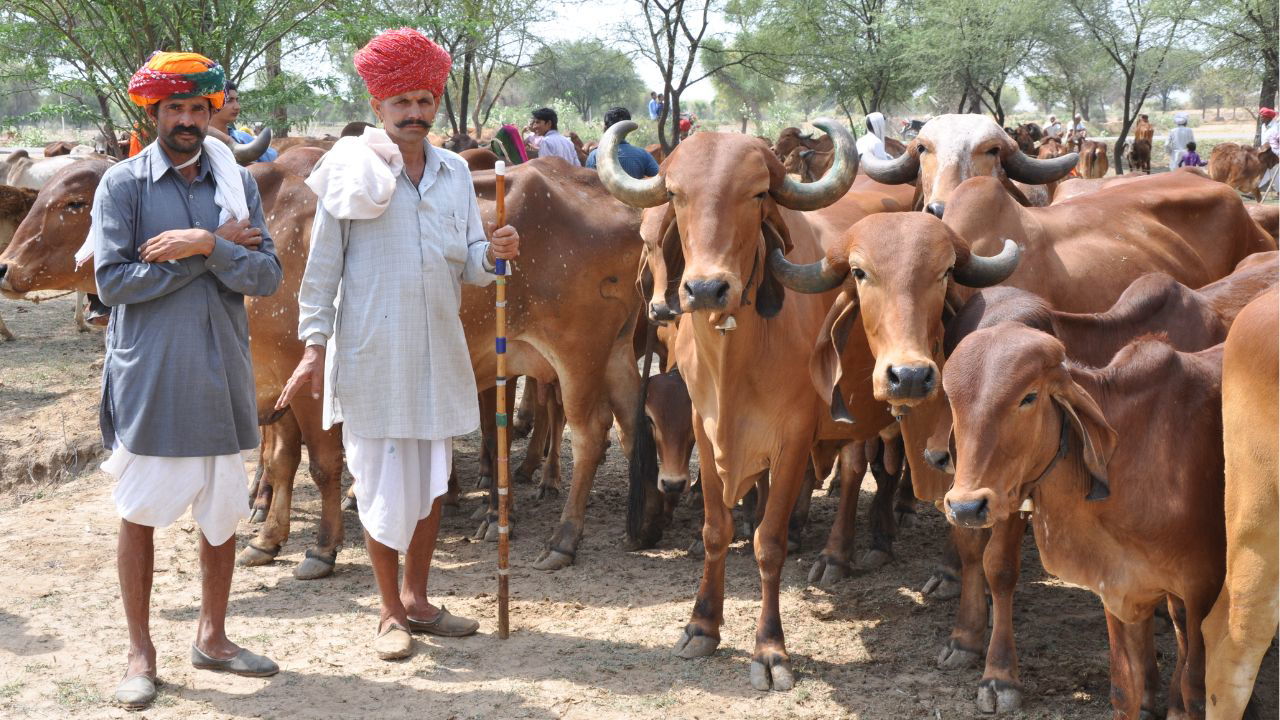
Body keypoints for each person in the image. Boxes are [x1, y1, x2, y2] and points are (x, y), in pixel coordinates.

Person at [278, 27, 521, 661]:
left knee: (433, 481)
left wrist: (495, 255)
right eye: (401, 102)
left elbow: (470, 264)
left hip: (440, 352)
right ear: (379, 106)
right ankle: (389, 614)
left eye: (424, 100)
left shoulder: (452, 175)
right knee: (381, 484)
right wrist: (313, 346)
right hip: (372, 356)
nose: (415, 113)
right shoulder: (350, 177)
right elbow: (321, 270)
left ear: (435, 103)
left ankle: (418, 597)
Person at [93, 50, 283, 710]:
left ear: (209, 114)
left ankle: (215, 637)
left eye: (197, 108)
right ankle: (140, 651)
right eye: (173, 107)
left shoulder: (237, 185)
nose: (185, 119)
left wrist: (199, 243)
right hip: (152, 373)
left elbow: (266, 276)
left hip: (223, 368)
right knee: (139, 513)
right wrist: (212, 250)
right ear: (152, 114)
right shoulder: (122, 186)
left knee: (223, 513)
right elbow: (114, 283)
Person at [209, 81, 277, 162]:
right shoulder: (195, 141)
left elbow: (275, 160)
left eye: (237, 100)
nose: (237, 106)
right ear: (211, 104)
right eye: (229, 100)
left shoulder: (244, 138)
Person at [585, 107, 658, 178]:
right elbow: (660, 178)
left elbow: (589, 185)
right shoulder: (643, 154)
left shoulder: (594, 155)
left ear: (605, 128)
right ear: (628, 130)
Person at [1260, 107, 1279, 192]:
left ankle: (1254, 190)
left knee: (1271, 172)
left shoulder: (1276, 127)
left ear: (1268, 118)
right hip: (1266, 153)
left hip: (1274, 153)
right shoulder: (1263, 126)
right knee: (1272, 172)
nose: (1261, 118)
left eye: (1263, 116)